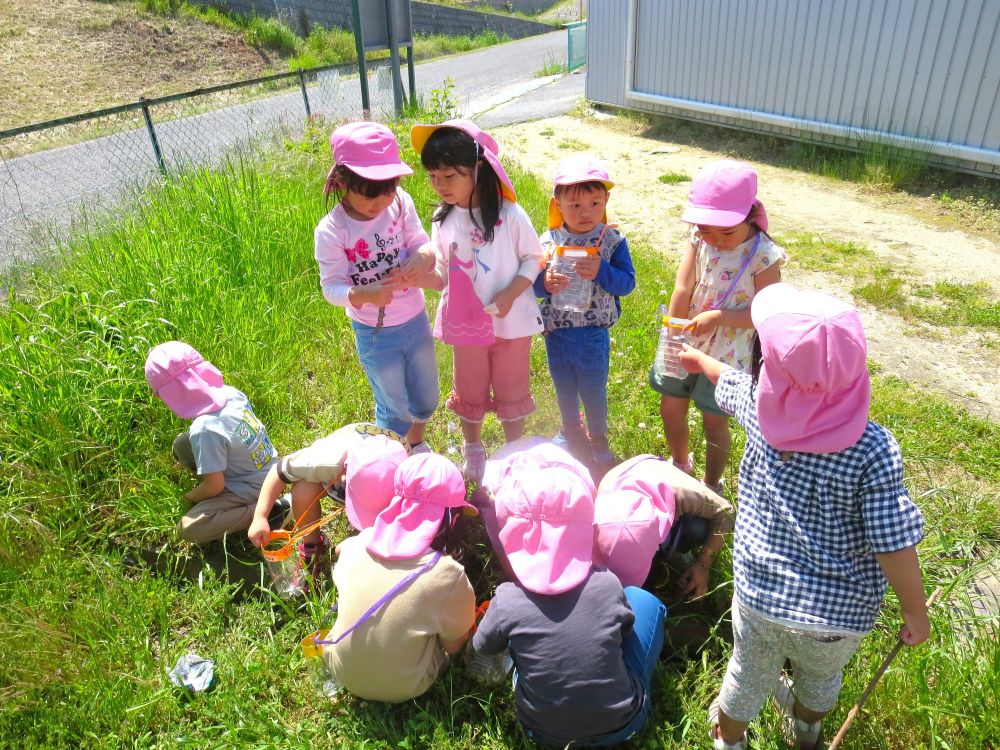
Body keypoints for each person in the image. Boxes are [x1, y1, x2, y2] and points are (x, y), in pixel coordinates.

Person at [679, 284, 929, 750]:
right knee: (820, 679)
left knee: (746, 676)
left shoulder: (758, 408)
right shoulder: (874, 449)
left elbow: (728, 382)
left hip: (762, 597)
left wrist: (699, 363)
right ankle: (807, 728)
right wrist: (915, 610)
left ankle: (728, 739)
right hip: (839, 616)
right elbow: (893, 543)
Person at [468, 444, 667, 747]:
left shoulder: (507, 599)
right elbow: (625, 631)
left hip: (540, 732)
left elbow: (483, 646)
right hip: (625, 724)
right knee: (644, 601)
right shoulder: (605, 584)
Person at [405, 119, 544, 484]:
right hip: (465, 324)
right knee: (470, 388)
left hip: (511, 324)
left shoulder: (510, 215)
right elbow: (443, 275)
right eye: (433, 176)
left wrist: (512, 292)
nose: (439, 185)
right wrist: (421, 277)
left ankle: (514, 451)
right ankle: (474, 448)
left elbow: (534, 258)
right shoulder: (443, 219)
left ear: (478, 169)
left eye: (449, 175)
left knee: (512, 387)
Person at [651, 159, 785, 494]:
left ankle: (711, 483)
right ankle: (680, 464)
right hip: (685, 342)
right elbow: (683, 286)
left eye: (726, 231)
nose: (716, 239)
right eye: (707, 228)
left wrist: (722, 317)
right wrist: (675, 332)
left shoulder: (763, 255)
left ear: (750, 216)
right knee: (670, 407)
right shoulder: (699, 239)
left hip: (727, 355)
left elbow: (767, 312)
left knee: (715, 422)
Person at [314, 121, 440, 453]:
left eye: (388, 188)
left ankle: (416, 443)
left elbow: (420, 242)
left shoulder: (399, 202)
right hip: (375, 332)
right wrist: (363, 295)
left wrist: (424, 257)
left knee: (426, 396)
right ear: (343, 181)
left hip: (414, 318)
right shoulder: (332, 230)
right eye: (371, 193)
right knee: (393, 408)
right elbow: (331, 288)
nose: (381, 201)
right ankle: (386, 460)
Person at [320, 453, 477, 703]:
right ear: (453, 518)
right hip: (409, 685)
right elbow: (455, 644)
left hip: (340, 668)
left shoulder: (357, 546)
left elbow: (340, 549)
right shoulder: (447, 575)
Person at [533, 155, 635, 477]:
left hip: (592, 333)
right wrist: (545, 283)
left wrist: (603, 270)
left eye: (594, 202)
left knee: (593, 389)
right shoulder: (548, 242)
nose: (586, 212)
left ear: (606, 199)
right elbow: (533, 285)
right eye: (575, 205)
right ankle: (569, 430)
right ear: (557, 203)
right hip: (556, 332)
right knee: (563, 385)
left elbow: (627, 283)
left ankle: (598, 439)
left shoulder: (611, 241)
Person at [246, 424, 409, 593]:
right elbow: (279, 471)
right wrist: (260, 516)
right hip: (334, 472)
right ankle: (313, 545)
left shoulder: (411, 470)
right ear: (344, 477)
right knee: (303, 489)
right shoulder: (325, 461)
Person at [144, 341, 277, 544]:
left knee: (189, 527)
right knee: (182, 444)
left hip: (253, 489)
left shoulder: (205, 429)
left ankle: (273, 510)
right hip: (270, 468)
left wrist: (187, 498)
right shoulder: (230, 393)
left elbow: (214, 487)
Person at [593, 454, 735, 598]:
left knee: (697, 528)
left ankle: (675, 549)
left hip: (655, 474)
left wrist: (703, 564)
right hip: (626, 482)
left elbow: (726, 512)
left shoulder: (682, 493)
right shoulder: (603, 497)